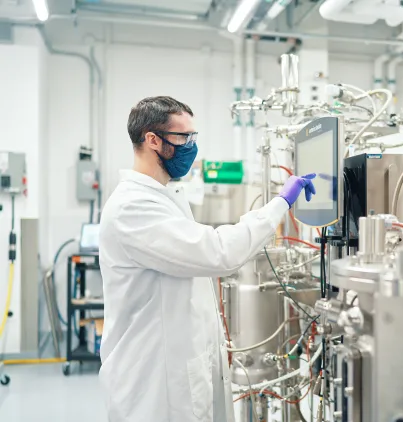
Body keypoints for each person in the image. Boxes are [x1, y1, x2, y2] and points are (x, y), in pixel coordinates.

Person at [98, 96, 316, 422]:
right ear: (152, 139)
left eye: (193, 137)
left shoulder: (166, 196)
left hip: (176, 364)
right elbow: (217, 252)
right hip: (153, 380)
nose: (191, 147)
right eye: (184, 138)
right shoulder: (133, 208)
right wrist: (279, 204)